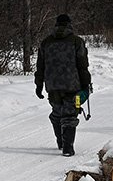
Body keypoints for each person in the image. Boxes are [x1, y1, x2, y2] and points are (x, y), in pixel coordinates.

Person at [35, 13, 92, 156]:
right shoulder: (76, 42)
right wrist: (86, 85)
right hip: (73, 85)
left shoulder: (46, 42)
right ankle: (67, 147)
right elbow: (82, 66)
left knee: (57, 113)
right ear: (69, 25)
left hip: (52, 86)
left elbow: (40, 67)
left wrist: (39, 85)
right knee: (70, 114)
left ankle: (60, 142)